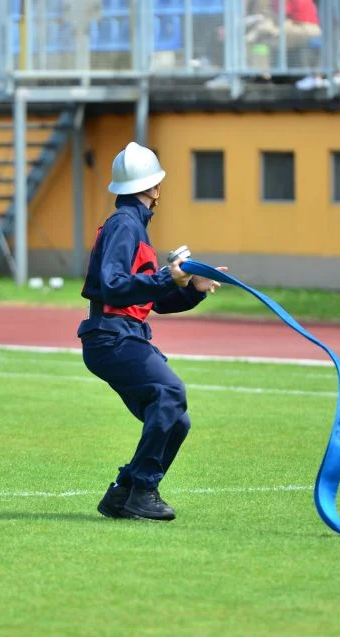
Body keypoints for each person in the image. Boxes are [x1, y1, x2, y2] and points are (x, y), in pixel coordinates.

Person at [78, 142, 227, 521]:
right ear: (155, 188)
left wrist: (190, 290)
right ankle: (144, 489)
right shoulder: (125, 225)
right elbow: (114, 285)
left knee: (176, 418)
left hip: (121, 335)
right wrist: (166, 276)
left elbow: (154, 301)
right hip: (113, 337)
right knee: (171, 392)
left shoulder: (131, 227)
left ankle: (123, 492)